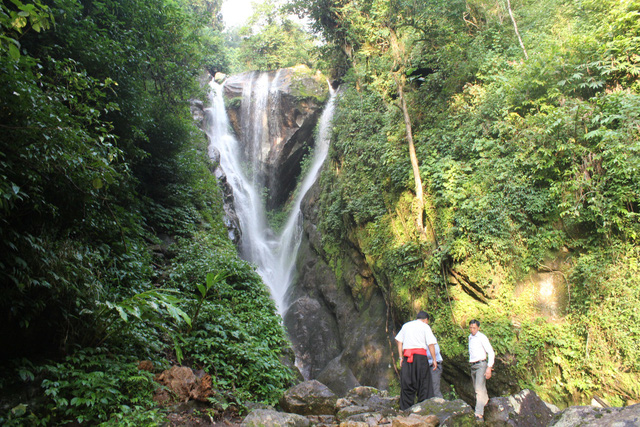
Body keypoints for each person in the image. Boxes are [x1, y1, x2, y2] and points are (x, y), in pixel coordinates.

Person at [395, 311, 438, 410]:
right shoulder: (425, 327)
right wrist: (434, 359)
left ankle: (405, 409)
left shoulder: (406, 326)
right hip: (420, 357)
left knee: (407, 383)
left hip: (407, 357)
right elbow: (431, 344)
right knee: (423, 382)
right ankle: (423, 408)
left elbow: (399, 341)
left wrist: (401, 357)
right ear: (425, 320)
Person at [468, 319, 495, 421]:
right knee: (479, 389)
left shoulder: (482, 337)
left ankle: (478, 414)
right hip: (473, 365)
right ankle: (488, 405)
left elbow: (491, 352)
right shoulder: (470, 337)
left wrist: (489, 367)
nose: (472, 330)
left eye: (474, 328)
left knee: (479, 389)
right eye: (470, 328)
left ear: (478, 328)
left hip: (481, 364)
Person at [424, 314, 444, 398]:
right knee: (427, 390)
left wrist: (425, 355)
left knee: (434, 390)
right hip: (427, 366)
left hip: (434, 366)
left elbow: (436, 351)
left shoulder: (430, 337)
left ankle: (441, 408)